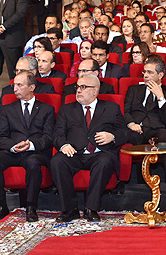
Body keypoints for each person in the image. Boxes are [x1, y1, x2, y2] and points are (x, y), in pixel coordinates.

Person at [51, 74, 127, 222]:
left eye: (84, 87)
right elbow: (57, 133)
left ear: (95, 90)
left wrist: (113, 136)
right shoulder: (66, 109)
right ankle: (69, 209)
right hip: (74, 153)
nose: (79, 90)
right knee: (57, 161)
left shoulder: (111, 108)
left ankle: (91, 209)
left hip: (100, 153)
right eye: (78, 87)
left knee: (105, 161)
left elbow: (125, 132)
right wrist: (64, 145)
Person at [0, 72, 55, 223]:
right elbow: (1, 138)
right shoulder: (6, 109)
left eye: (19, 85)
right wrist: (13, 146)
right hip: (12, 151)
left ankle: (31, 206)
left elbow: (48, 138)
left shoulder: (46, 109)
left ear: (31, 87)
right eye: (14, 85)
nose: (15, 89)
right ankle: (1, 206)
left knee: (32, 163)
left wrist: (30, 145)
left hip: (35, 152)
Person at [124, 55, 166, 194]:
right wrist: (131, 123)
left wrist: (161, 98)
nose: (145, 75)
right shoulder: (134, 90)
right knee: (119, 137)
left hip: (155, 129)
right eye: (144, 72)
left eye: (150, 72)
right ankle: (121, 182)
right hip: (135, 128)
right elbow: (125, 111)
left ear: (160, 75)